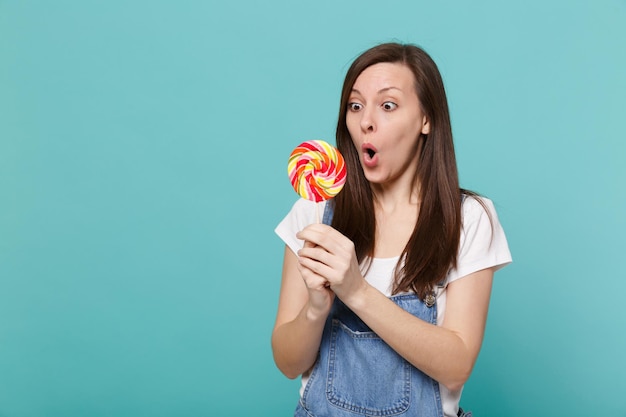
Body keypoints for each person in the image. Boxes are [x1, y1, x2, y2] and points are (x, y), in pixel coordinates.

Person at [272, 42, 512, 417]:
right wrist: (316, 310)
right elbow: (288, 363)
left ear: (426, 119)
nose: (367, 120)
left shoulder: (468, 219)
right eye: (356, 105)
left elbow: (457, 366)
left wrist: (355, 291)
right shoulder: (314, 213)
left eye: (388, 105)